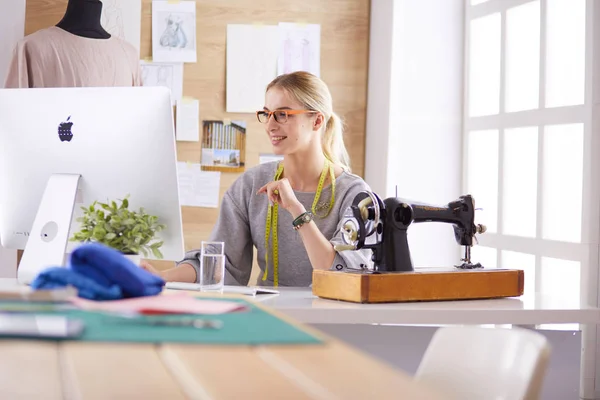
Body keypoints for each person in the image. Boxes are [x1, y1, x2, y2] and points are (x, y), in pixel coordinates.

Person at [142, 71, 372, 287]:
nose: (270, 125)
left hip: (334, 322)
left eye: (282, 114)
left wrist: (295, 209)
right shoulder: (251, 184)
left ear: (317, 121)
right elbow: (219, 263)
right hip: (270, 316)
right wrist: (162, 278)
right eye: (267, 114)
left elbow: (341, 274)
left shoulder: (355, 194)